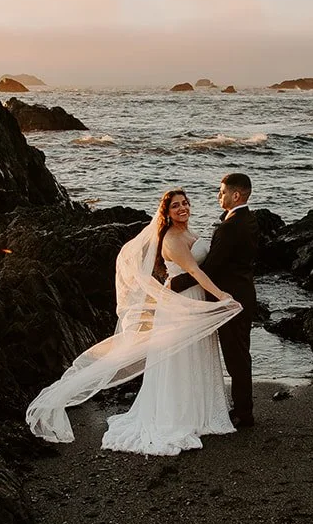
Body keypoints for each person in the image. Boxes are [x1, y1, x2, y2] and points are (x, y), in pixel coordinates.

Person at [25, 188, 242, 455]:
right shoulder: (172, 239)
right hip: (180, 304)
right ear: (167, 212)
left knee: (197, 354)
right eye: (176, 206)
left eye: (185, 203)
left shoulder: (189, 231)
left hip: (193, 299)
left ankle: (202, 411)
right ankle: (180, 416)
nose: (183, 208)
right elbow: (196, 271)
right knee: (182, 359)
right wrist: (223, 297)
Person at [168, 172, 258, 427]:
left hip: (232, 301)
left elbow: (213, 267)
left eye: (222, 191)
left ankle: (244, 413)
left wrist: (177, 283)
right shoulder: (249, 220)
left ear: (236, 195)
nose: (218, 195)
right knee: (240, 355)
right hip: (244, 293)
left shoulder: (231, 227)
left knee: (236, 358)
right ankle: (243, 407)